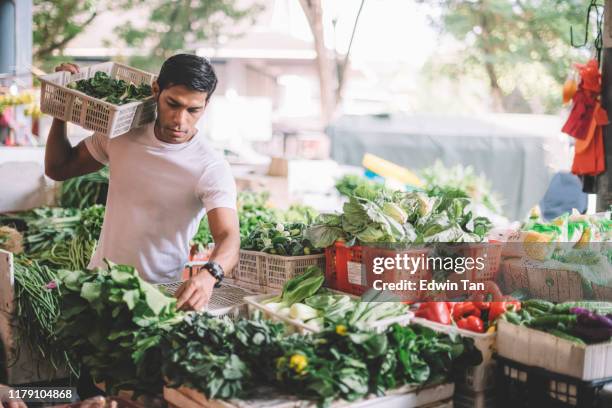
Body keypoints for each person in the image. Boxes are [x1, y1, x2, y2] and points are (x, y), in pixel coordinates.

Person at [45, 54, 240, 312]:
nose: (180, 120)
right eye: (173, 104)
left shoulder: (211, 167)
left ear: (206, 104)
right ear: (156, 90)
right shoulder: (121, 132)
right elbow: (59, 168)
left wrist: (208, 275)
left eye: (193, 110)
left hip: (156, 299)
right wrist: (62, 108)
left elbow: (229, 238)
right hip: (99, 285)